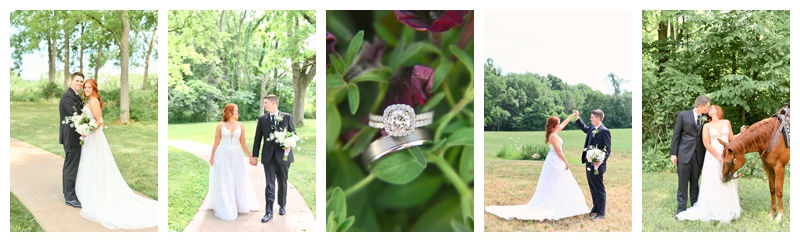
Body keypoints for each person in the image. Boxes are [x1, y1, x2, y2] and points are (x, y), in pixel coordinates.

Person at [74, 78, 157, 229]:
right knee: (90, 164)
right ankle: (90, 190)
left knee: (96, 164)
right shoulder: (91, 100)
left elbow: (99, 121)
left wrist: (87, 130)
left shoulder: (93, 101)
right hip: (90, 138)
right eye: (85, 88)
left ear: (94, 89)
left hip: (94, 137)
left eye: (89, 88)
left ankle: (96, 194)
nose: (86, 90)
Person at [485, 114, 590, 221]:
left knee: (560, 182)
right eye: (557, 124)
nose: (559, 125)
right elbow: (559, 151)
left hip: (554, 160)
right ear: (553, 126)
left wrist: (571, 116)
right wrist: (566, 162)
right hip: (555, 161)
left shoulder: (553, 133)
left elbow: (563, 124)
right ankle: (553, 204)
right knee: (557, 182)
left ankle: (559, 202)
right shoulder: (553, 136)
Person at [675, 105, 741, 222]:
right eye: (708, 108)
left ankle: (727, 209)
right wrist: (718, 157)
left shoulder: (726, 122)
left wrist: (741, 133)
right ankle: (713, 209)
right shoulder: (706, 126)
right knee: (714, 181)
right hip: (713, 156)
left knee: (726, 180)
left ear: (718, 110)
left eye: (712, 107)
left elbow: (731, 138)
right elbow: (706, 144)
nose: (709, 109)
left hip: (727, 155)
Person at [208, 103, 259, 221]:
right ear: (229, 112)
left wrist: (251, 156)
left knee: (238, 178)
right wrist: (212, 156)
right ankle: (226, 205)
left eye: (237, 110)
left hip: (236, 155)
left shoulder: (241, 125)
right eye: (235, 110)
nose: (237, 112)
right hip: (223, 154)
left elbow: (244, 143)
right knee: (224, 179)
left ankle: (238, 204)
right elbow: (216, 142)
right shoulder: (220, 125)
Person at [251, 94, 296, 223]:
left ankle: (282, 206)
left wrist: (289, 145)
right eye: (264, 102)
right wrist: (254, 155)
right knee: (269, 184)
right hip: (268, 157)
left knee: (282, 182)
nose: (264, 105)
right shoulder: (262, 119)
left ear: (273, 103)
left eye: (266, 103)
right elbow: (257, 138)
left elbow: (294, 134)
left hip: (283, 157)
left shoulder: (287, 117)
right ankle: (269, 211)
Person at [670, 95, 711, 215]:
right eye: (708, 106)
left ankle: (695, 207)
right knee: (682, 184)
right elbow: (676, 135)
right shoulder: (683, 115)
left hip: (699, 155)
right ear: (701, 106)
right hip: (683, 154)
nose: (709, 109)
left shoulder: (707, 118)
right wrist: (673, 153)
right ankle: (681, 210)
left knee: (695, 183)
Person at [574, 109, 612, 220]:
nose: (590, 118)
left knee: (599, 188)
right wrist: (577, 117)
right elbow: (584, 128)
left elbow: (607, 149)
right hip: (588, 163)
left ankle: (601, 213)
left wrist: (600, 161)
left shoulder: (605, 131)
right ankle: (595, 208)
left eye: (592, 117)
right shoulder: (591, 128)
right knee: (592, 187)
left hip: (598, 165)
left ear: (598, 118)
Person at [59, 72, 84, 208]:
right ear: (71, 81)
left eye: (81, 81)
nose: (79, 84)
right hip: (71, 137)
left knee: (71, 165)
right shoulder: (68, 97)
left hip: (75, 136)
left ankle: (69, 191)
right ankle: (69, 197)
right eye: (77, 81)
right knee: (71, 166)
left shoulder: (76, 96)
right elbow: (76, 117)